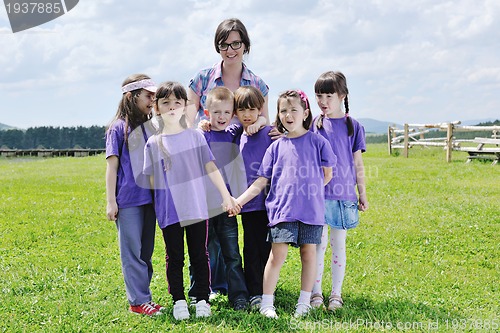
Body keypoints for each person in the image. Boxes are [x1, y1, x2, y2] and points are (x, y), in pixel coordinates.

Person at [233, 90, 336, 318]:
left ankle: (304, 302)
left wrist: (310, 192)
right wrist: (238, 201)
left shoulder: (318, 142)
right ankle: (266, 303)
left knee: (308, 255)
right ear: (278, 114)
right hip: (282, 211)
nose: (288, 115)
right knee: (276, 256)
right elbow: (261, 181)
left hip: (310, 212)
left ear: (305, 113)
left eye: (293, 110)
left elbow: (327, 174)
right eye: (283, 111)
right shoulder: (276, 147)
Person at [143, 81, 240, 321]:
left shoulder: (196, 136)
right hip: (170, 212)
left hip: (197, 208)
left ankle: (202, 299)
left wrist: (226, 196)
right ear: (157, 108)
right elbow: (153, 183)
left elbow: (211, 167)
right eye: (166, 103)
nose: (172, 107)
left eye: (178, 102)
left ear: (186, 106)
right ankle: (178, 300)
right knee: (174, 257)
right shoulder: (153, 143)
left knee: (200, 255)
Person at [310, 71, 368, 311]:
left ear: (342, 95)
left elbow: (358, 164)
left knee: (338, 245)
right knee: (318, 246)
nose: (323, 101)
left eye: (328, 95)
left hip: (344, 196)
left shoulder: (353, 126)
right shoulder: (314, 124)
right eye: (319, 95)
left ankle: (336, 294)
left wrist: (362, 192)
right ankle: (315, 293)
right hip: (319, 195)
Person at [105, 74, 163, 316]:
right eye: (148, 95)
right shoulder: (117, 128)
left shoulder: (152, 127)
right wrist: (111, 201)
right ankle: (138, 301)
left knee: (145, 252)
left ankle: (143, 297)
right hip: (128, 201)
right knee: (132, 252)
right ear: (131, 96)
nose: (153, 100)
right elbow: (112, 166)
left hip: (151, 199)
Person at [190, 87, 249, 310]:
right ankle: (202, 291)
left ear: (233, 113)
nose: (221, 117)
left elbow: (255, 119)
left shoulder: (234, 132)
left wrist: (257, 123)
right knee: (203, 250)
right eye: (216, 113)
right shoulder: (201, 135)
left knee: (232, 252)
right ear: (207, 112)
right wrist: (198, 125)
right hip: (204, 205)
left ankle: (239, 296)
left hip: (228, 204)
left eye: (226, 112)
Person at [232, 86, 275, 310]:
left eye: (252, 109)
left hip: (268, 202)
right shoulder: (236, 133)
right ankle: (254, 291)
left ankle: (267, 290)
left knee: (266, 247)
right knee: (250, 247)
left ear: (260, 109)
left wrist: (263, 123)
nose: (247, 114)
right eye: (242, 110)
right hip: (246, 203)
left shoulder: (268, 132)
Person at [187, 18, 270, 127]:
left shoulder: (258, 85)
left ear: (245, 45)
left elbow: (265, 125)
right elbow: (187, 122)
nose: (230, 50)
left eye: (235, 44)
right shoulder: (202, 78)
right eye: (224, 45)